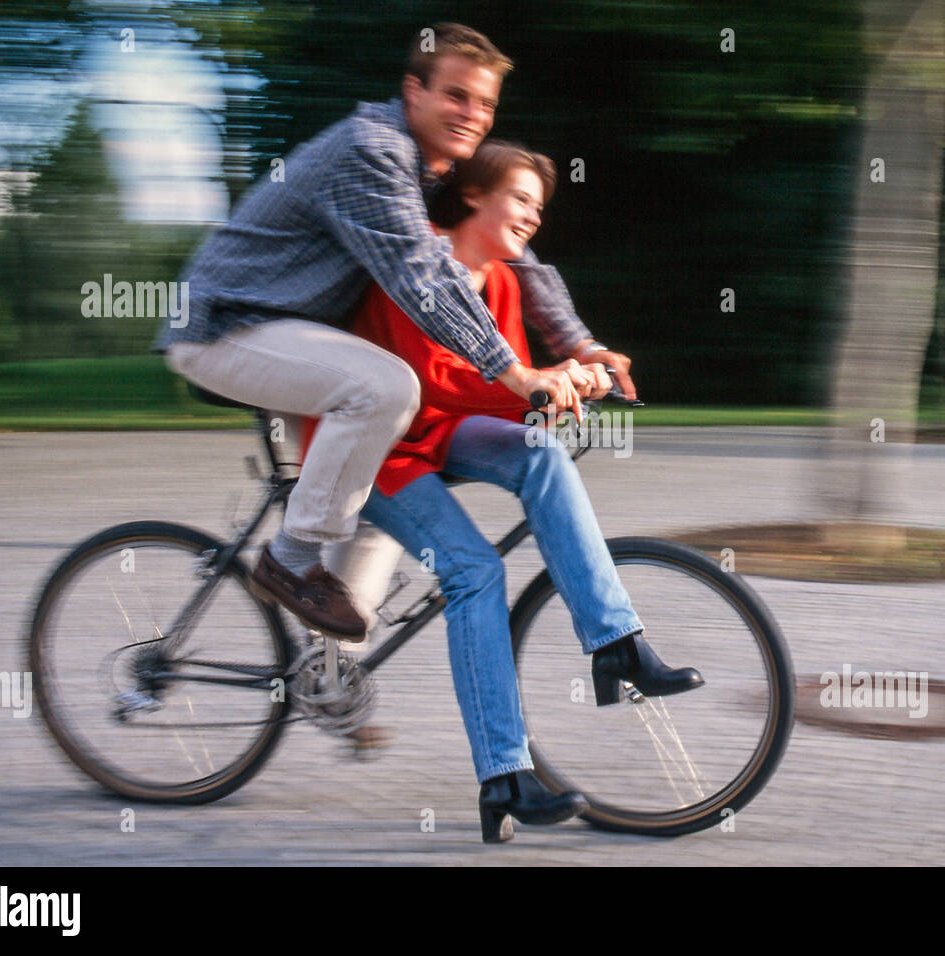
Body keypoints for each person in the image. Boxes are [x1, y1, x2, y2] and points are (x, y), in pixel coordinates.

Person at [153, 23, 634, 638]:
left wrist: (580, 345)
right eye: (456, 94)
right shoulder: (372, 152)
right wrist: (517, 372)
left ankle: (331, 687)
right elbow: (423, 278)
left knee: (376, 483)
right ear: (413, 91)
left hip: (294, 333)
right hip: (228, 324)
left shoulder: (431, 169)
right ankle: (288, 562)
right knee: (386, 388)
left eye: (485, 102)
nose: (472, 114)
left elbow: (516, 255)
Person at [302, 140, 702, 842]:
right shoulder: (418, 259)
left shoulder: (508, 284)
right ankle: (505, 778)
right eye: (519, 198)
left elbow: (491, 399)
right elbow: (434, 381)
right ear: (473, 197)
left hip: (438, 434)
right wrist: (541, 379)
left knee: (543, 457)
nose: (531, 216)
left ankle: (617, 643)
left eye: (538, 206)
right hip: (375, 451)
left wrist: (563, 389)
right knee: (474, 570)